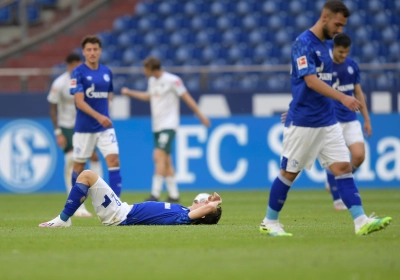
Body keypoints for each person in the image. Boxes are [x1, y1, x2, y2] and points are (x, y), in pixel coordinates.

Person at [260, 0, 391, 236]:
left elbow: (316, 83)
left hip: (327, 120)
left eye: (342, 26)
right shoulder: (303, 43)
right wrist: (342, 98)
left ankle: (360, 221)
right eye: (337, 24)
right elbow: (309, 81)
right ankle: (269, 222)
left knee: (342, 167)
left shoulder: (325, 46)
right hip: (304, 122)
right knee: (289, 173)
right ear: (325, 17)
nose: (339, 30)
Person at [121, 57, 210, 203]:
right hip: (157, 126)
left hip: (169, 125)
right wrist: (130, 93)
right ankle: (174, 194)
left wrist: (201, 116)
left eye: (145, 69)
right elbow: (147, 97)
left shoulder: (172, 80)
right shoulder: (152, 81)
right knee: (166, 160)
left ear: (152, 68)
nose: (144, 72)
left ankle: (154, 194)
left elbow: (187, 98)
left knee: (158, 156)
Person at [38, 170, 222, 227]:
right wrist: (210, 204)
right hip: (122, 210)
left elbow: (209, 210)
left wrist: (215, 204)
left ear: (203, 215)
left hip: (120, 215)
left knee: (86, 175)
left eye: (206, 202)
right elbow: (206, 210)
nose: (205, 201)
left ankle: (63, 219)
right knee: (87, 177)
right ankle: (65, 218)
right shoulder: (183, 210)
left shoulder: (184, 218)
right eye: (205, 200)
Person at [47, 53, 103, 217]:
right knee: (72, 162)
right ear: (69, 65)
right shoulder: (59, 84)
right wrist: (58, 132)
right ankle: (77, 205)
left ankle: (100, 196)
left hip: (84, 125)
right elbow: (52, 109)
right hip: (67, 127)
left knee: (94, 157)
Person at [70, 35, 122, 198]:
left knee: (114, 161)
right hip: (84, 128)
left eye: (95, 49)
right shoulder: (78, 72)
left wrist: (105, 113)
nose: (92, 53)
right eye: (89, 50)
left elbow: (109, 94)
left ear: (100, 51)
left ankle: (117, 205)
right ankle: (77, 204)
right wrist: (99, 116)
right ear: (84, 52)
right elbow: (79, 102)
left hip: (104, 127)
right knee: (79, 165)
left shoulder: (106, 72)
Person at [325, 33, 372, 210]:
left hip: (351, 118)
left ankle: (338, 179)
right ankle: (338, 200)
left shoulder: (352, 65)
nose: (343, 55)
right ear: (334, 48)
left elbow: (358, 93)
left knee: (359, 156)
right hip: (332, 118)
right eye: (340, 52)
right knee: (335, 158)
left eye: (346, 52)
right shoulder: (326, 66)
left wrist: (366, 118)